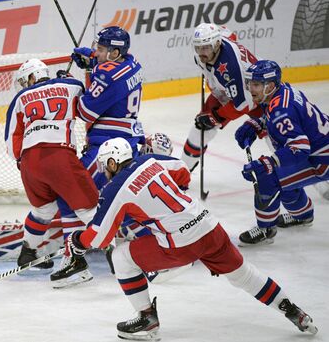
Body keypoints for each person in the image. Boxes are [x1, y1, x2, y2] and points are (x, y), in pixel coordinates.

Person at [63, 137, 318, 340]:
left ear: (111, 163)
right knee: (244, 274)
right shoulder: (151, 160)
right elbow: (182, 170)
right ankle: (293, 310)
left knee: (120, 257)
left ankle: (146, 318)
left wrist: (76, 242)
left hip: (181, 244)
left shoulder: (115, 189)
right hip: (209, 225)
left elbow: (97, 237)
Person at [48, 25, 147, 287]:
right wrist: (93, 62)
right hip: (126, 141)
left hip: (108, 146)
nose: (97, 52)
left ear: (114, 52)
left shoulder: (107, 73)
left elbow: (85, 112)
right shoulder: (132, 62)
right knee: (114, 198)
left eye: (101, 49)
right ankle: (156, 246)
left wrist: (69, 84)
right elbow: (108, 77)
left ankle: (75, 263)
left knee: (71, 195)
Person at [4, 58, 98, 273]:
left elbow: (11, 142)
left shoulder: (19, 98)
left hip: (29, 162)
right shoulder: (71, 86)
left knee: (43, 210)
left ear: (31, 77)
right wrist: (69, 78)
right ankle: (113, 251)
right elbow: (88, 98)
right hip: (60, 155)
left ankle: (28, 252)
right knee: (89, 209)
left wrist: (24, 162)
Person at [235, 60, 329, 245]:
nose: (250, 88)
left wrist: (269, 163)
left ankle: (266, 229)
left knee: (268, 177)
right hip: (320, 149)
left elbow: (300, 148)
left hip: (322, 159)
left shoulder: (281, 111)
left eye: (255, 84)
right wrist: (259, 123)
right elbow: (281, 117)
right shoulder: (283, 90)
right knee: (284, 176)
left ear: (269, 85)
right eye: (249, 83)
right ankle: (302, 216)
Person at [181, 23, 262, 172]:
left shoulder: (230, 66)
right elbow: (227, 32)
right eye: (198, 48)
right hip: (228, 91)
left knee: (278, 138)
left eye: (205, 47)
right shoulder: (215, 43)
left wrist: (216, 116)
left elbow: (244, 104)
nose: (201, 52)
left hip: (258, 98)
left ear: (217, 44)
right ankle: (181, 174)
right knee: (201, 128)